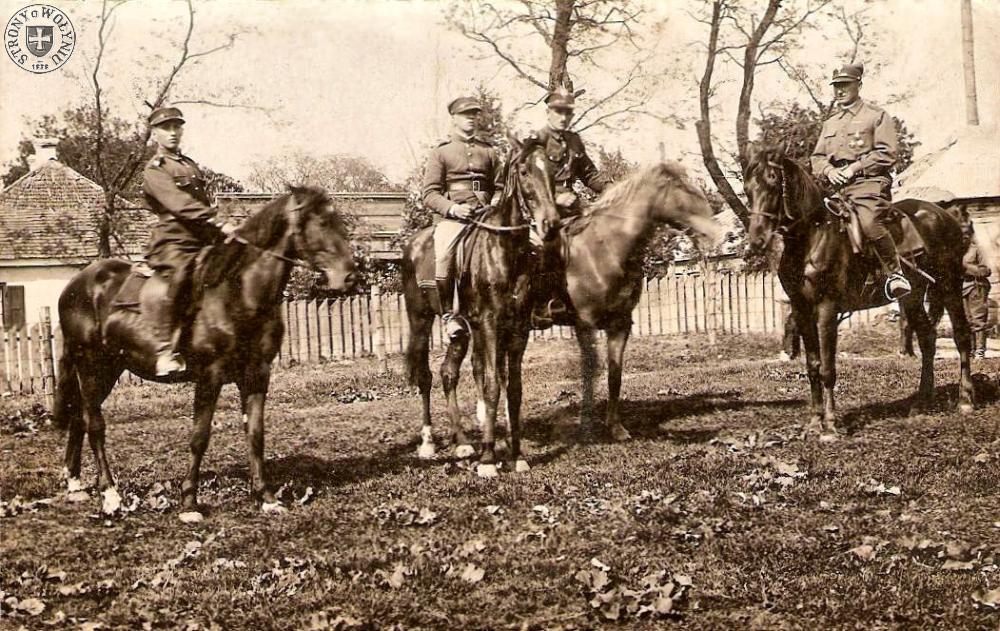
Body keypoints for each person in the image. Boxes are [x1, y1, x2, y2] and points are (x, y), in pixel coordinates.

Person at [142, 106, 237, 376]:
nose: (172, 132)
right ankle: (165, 352)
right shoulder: (156, 169)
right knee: (179, 276)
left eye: (176, 127)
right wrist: (216, 221)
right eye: (165, 128)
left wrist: (222, 228)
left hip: (203, 237)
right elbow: (179, 204)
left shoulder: (189, 165)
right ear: (154, 134)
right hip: (174, 240)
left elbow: (202, 202)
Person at [810, 63, 910, 301]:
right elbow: (817, 157)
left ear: (859, 85)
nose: (840, 90)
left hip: (869, 184)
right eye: (836, 86)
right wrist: (829, 171)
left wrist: (854, 168)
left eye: (845, 85)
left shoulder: (876, 116)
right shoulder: (830, 123)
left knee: (868, 222)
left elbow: (887, 153)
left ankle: (895, 275)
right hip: (838, 188)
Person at [421, 96, 503, 339]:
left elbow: (500, 186)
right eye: (466, 114)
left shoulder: (488, 151)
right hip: (454, 220)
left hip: (486, 216)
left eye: (475, 114)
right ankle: (449, 315)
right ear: (454, 118)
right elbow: (430, 194)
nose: (472, 118)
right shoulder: (441, 152)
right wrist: (453, 209)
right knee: (444, 253)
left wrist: (495, 203)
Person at [529, 84, 610, 326]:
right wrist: (554, 198)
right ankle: (545, 303)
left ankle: (594, 297)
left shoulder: (574, 141)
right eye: (558, 111)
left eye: (568, 113)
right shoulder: (536, 142)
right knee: (548, 245)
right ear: (548, 112)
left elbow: (589, 174)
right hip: (543, 207)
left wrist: (612, 190)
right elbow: (530, 181)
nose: (563, 117)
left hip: (574, 207)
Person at [962, 221, 992, 358]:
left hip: (976, 287)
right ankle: (971, 351)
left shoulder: (976, 249)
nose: (963, 236)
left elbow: (986, 270)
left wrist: (966, 268)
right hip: (960, 289)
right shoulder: (954, 250)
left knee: (978, 320)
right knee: (966, 321)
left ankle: (980, 351)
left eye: (966, 233)